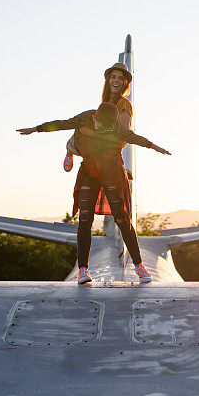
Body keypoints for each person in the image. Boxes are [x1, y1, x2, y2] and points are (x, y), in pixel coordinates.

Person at [17, 102, 170, 284]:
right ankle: (83, 269)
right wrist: (35, 129)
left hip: (111, 171)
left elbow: (135, 137)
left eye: (107, 129)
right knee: (85, 219)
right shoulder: (85, 118)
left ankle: (139, 266)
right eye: (100, 126)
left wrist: (156, 147)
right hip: (90, 169)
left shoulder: (116, 128)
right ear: (95, 117)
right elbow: (61, 124)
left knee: (122, 218)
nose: (103, 130)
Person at [63, 62, 134, 172]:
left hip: (108, 145)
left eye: (120, 78)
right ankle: (70, 150)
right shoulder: (105, 102)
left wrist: (91, 133)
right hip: (101, 140)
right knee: (84, 120)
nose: (116, 80)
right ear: (108, 80)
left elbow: (122, 139)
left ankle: (71, 149)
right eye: (113, 77)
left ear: (125, 83)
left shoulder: (124, 104)